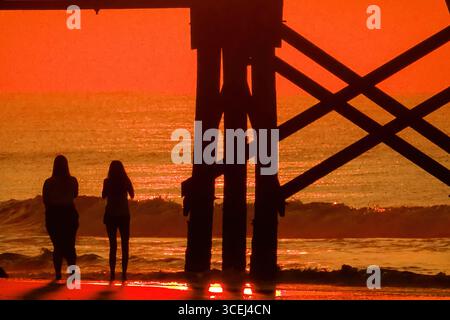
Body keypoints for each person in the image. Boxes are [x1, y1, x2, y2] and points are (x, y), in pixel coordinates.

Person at [43, 155, 79, 280]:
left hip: (54, 214)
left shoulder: (49, 182)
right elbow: (75, 195)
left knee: (57, 246)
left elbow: (45, 200)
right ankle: (73, 274)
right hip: (69, 213)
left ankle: (58, 274)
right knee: (70, 245)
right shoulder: (73, 180)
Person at [102, 161, 134, 281]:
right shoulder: (125, 181)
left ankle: (112, 273)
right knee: (125, 245)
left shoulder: (107, 181)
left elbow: (103, 195)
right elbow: (132, 195)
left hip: (110, 215)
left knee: (112, 245)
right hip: (124, 215)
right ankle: (124, 273)